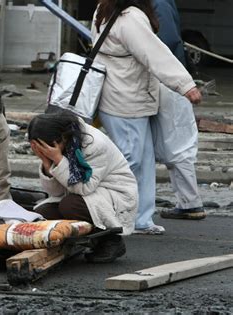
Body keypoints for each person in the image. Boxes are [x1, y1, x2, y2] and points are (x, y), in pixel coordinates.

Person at [92, 0, 202, 235]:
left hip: (117, 94)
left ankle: (140, 218)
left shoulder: (103, 9)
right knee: (132, 161)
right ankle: (118, 217)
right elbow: (155, 53)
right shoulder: (131, 17)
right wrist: (185, 85)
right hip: (128, 98)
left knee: (141, 159)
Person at [28, 113, 138, 263]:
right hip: (81, 194)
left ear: (62, 138)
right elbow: (55, 192)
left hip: (115, 194)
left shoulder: (94, 144)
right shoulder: (58, 146)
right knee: (42, 214)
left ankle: (111, 240)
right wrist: (47, 164)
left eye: (45, 148)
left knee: (70, 205)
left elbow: (85, 187)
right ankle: (70, 242)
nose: (43, 151)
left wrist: (58, 159)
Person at [153, 0, 206, 220]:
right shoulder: (162, 2)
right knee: (176, 142)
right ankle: (189, 201)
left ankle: (190, 202)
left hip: (167, 80)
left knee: (176, 144)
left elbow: (163, 45)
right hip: (171, 79)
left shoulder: (156, 4)